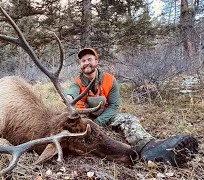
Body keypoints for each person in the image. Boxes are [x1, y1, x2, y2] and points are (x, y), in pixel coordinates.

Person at [65, 48, 198, 166]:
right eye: (83, 61)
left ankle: (148, 147)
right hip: (85, 120)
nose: (86, 63)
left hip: (105, 116)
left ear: (97, 61)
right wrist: (68, 98)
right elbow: (71, 92)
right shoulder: (77, 82)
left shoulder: (109, 80)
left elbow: (114, 105)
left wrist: (99, 123)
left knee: (128, 119)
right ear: (80, 64)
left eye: (89, 59)